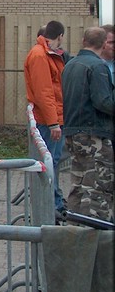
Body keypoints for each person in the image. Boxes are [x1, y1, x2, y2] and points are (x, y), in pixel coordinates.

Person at [60, 26, 114, 223]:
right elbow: (103, 101)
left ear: (84, 41)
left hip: (73, 131)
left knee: (78, 183)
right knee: (100, 185)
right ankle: (99, 235)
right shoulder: (98, 67)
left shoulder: (71, 65)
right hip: (94, 135)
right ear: (103, 44)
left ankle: (74, 227)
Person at [23, 20, 67, 220]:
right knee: (51, 163)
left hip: (51, 117)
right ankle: (52, 206)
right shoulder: (41, 56)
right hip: (49, 120)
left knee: (51, 163)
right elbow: (45, 92)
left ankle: (54, 202)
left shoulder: (43, 54)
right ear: (59, 36)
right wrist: (53, 122)